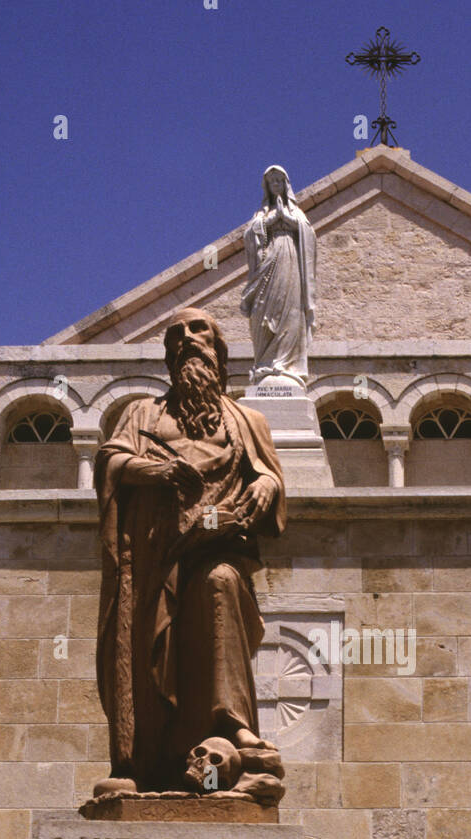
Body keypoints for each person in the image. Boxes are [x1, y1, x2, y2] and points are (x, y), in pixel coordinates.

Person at [93, 308, 286, 794]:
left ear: (218, 350)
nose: (185, 339)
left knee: (220, 583)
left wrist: (267, 484)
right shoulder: (142, 413)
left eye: (197, 330)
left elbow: (269, 477)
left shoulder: (247, 420)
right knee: (146, 650)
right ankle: (142, 762)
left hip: (219, 545)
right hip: (156, 557)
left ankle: (231, 729)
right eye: (175, 333)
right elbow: (111, 462)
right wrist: (156, 472)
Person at [241, 165, 316, 385]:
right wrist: (270, 221)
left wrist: (289, 220)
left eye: (279, 180)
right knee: (265, 308)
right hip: (268, 262)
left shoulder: (296, 213)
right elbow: (249, 236)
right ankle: (265, 361)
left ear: (285, 184)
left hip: (290, 260)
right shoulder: (261, 214)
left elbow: (309, 234)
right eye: (272, 181)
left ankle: (286, 363)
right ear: (266, 186)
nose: (275, 184)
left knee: (291, 308)